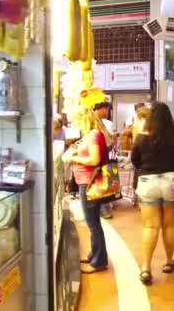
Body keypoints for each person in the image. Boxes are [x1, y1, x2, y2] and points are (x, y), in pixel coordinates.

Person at [131, 102, 174, 285]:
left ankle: (146, 268)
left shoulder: (141, 138)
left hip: (148, 183)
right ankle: (169, 261)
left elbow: (135, 161)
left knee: (150, 227)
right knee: (169, 225)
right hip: (170, 182)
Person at [62, 106, 114, 274]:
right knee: (92, 222)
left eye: (75, 120)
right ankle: (95, 254)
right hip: (87, 181)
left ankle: (99, 261)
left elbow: (94, 160)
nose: (73, 123)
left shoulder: (92, 135)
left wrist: (74, 158)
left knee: (93, 223)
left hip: (89, 182)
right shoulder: (91, 135)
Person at [93, 100, 117, 219]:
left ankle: (103, 207)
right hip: (99, 157)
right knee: (101, 182)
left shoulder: (100, 122)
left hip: (102, 157)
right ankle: (103, 208)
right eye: (107, 109)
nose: (107, 112)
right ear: (101, 108)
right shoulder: (94, 121)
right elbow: (108, 141)